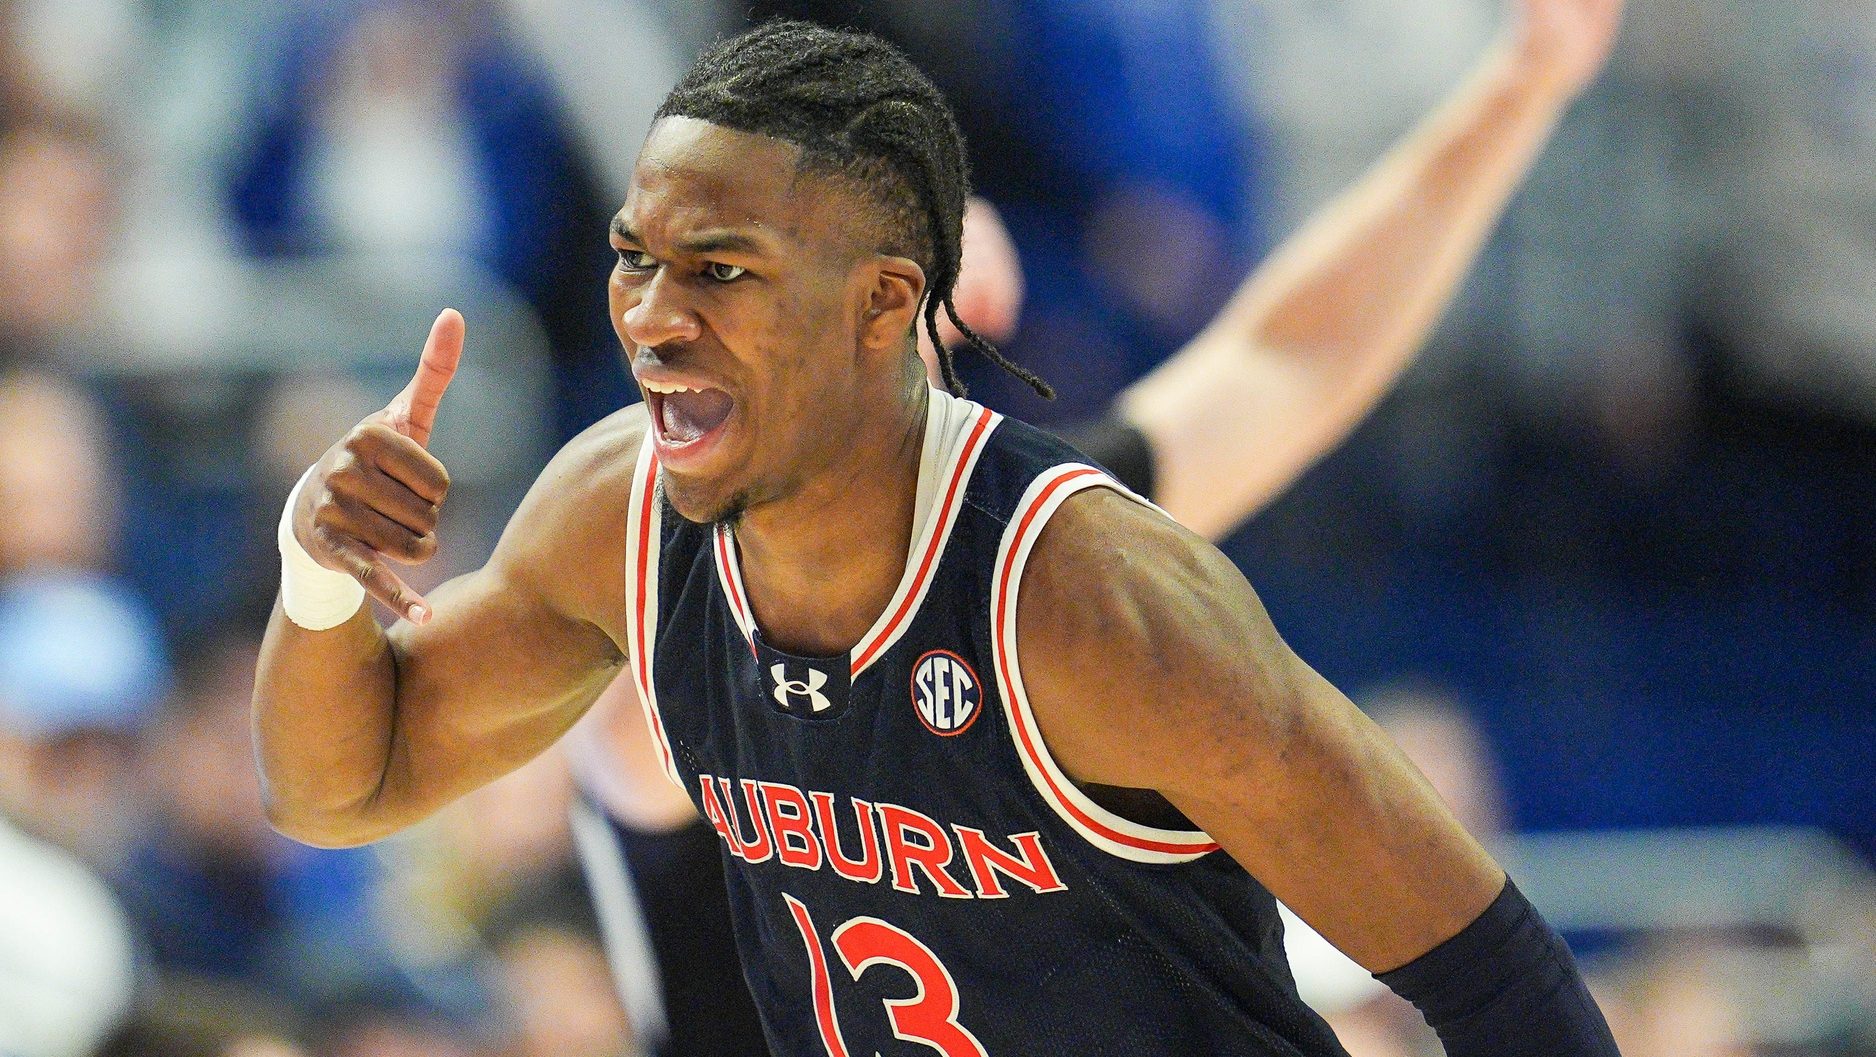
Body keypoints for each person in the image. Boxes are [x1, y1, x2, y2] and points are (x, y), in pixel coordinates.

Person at [253, 15, 1625, 1057]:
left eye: (723, 272)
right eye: (640, 257)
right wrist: (317, 570)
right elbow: (339, 782)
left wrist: (1519, 91)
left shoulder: (1083, 588)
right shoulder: (637, 533)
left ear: (895, 319)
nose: (656, 319)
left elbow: (1286, 363)